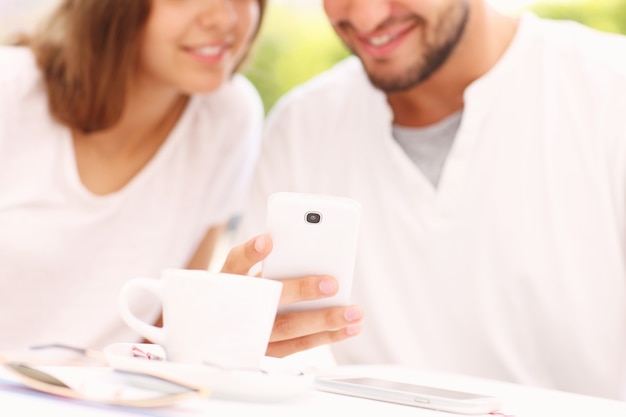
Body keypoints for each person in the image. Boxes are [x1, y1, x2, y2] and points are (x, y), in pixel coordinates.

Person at [224, 0, 626, 400]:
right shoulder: (301, 127)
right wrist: (236, 342)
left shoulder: (610, 92)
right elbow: (249, 359)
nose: (367, 17)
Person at [0, 0, 265, 351]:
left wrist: (223, 324)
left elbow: (163, 335)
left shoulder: (227, 116)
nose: (225, 18)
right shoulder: (11, 91)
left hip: (106, 402)